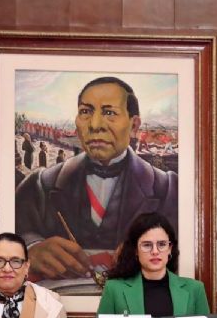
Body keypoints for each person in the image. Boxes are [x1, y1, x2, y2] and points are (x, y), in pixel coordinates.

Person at [15, 77, 178, 280]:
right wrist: (32, 249)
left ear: (134, 125)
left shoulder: (170, 190)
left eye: (109, 113)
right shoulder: (39, 186)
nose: (95, 124)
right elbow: (11, 236)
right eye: (86, 112)